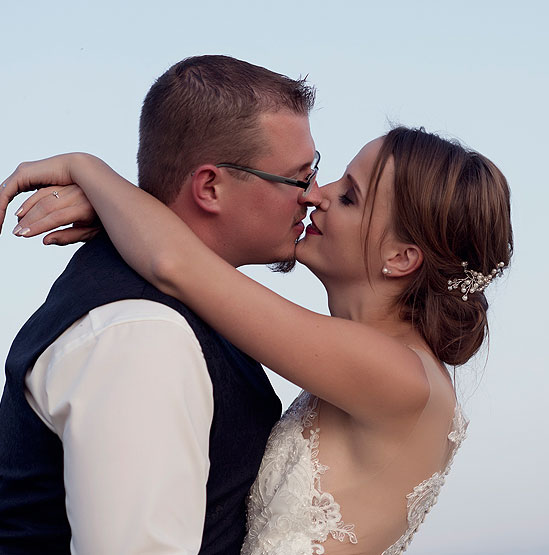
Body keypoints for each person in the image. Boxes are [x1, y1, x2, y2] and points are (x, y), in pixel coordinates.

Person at [1, 126, 513, 554]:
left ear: (401, 258)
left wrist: (86, 168)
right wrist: (120, 216)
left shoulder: (397, 375)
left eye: (350, 196)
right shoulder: (384, 366)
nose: (317, 194)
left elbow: (175, 264)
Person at [0, 55, 322, 554]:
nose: (314, 196)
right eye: (299, 177)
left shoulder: (183, 310)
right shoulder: (144, 333)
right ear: (210, 187)